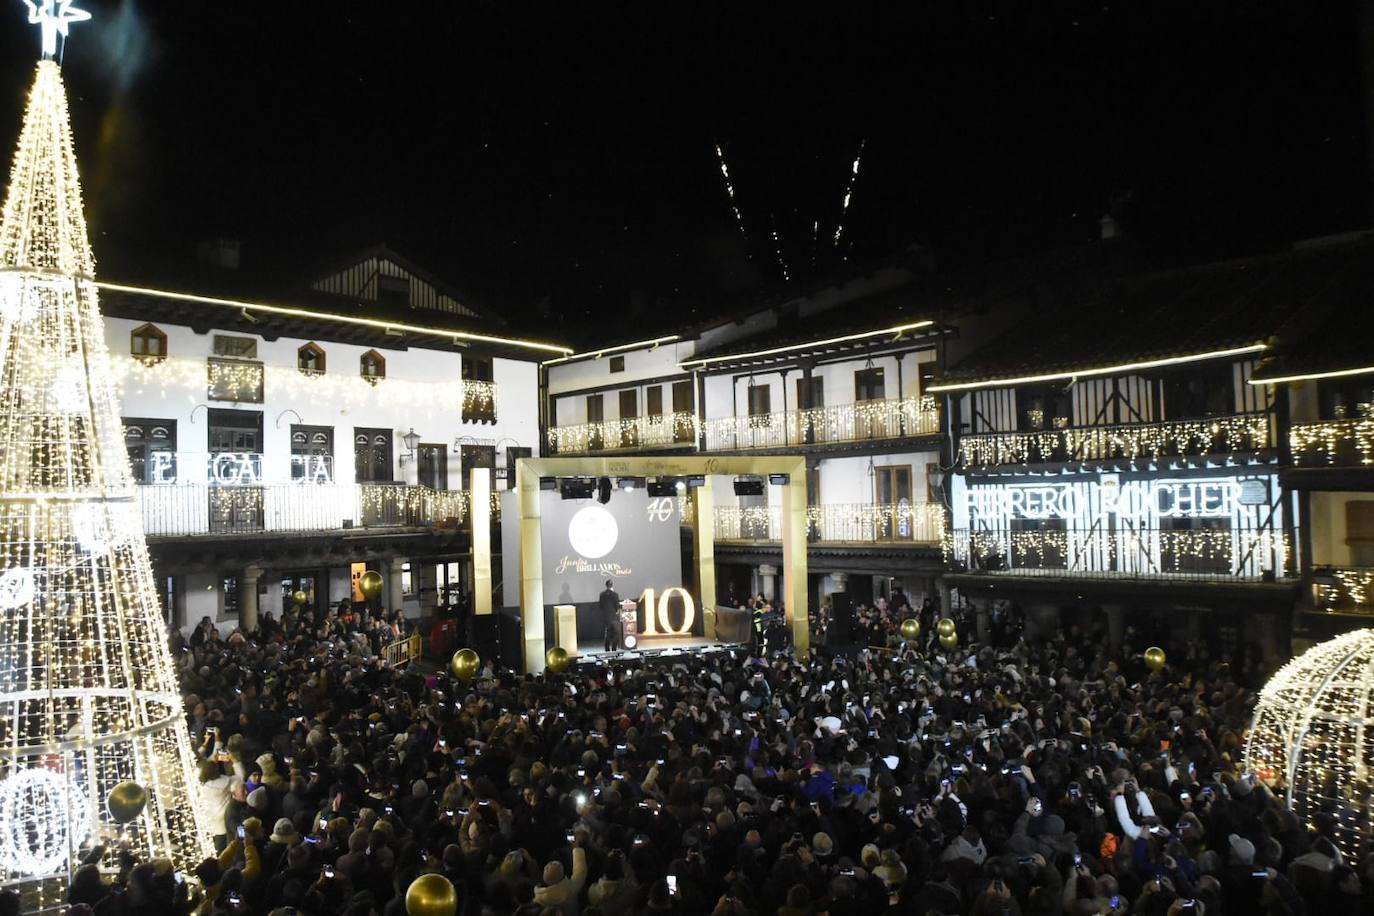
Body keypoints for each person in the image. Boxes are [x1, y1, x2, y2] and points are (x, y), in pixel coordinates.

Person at [600, 579, 622, 652]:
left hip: (605, 618)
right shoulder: (615, 594)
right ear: (612, 585)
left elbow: (601, 606)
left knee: (608, 634)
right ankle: (614, 648)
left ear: (606, 585)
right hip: (614, 618)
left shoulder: (602, 594)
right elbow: (617, 607)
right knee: (617, 634)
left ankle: (607, 650)